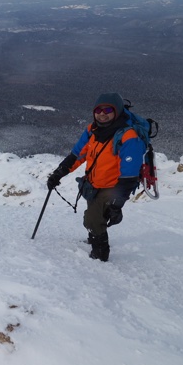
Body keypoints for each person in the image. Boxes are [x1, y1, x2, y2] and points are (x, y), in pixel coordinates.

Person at [46, 93, 146, 262]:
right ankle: (94, 236)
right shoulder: (92, 129)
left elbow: (129, 174)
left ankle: (100, 254)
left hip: (113, 187)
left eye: (108, 109)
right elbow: (78, 154)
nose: (102, 113)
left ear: (117, 111)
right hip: (93, 184)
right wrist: (59, 173)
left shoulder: (129, 137)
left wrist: (117, 202)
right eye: (98, 110)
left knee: (91, 219)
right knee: (95, 215)